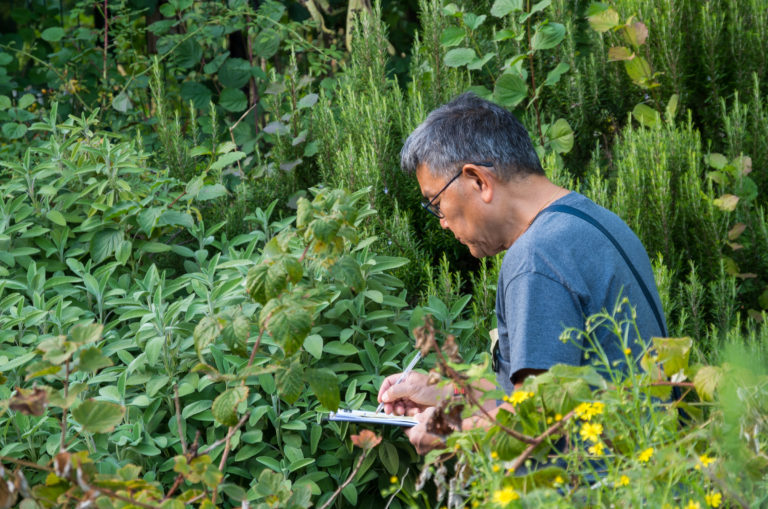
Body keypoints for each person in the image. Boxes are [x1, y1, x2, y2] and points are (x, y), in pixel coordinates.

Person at [377, 92, 666, 454]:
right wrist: (448, 393)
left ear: (478, 180)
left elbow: (535, 422)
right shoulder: (594, 220)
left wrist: (450, 430)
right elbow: (555, 392)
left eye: (437, 203)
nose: (443, 223)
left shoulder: (536, 258)